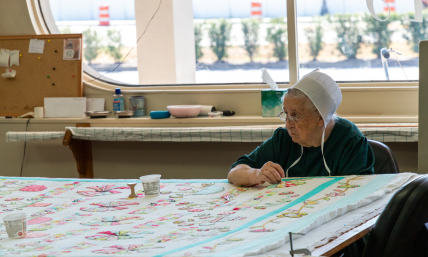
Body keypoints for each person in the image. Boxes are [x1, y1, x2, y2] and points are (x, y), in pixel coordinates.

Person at [228, 70, 375, 187]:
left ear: (320, 118)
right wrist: (257, 174)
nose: (287, 124)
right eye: (285, 114)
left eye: (295, 116)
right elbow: (234, 172)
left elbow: (359, 193)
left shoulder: (350, 142)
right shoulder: (284, 139)